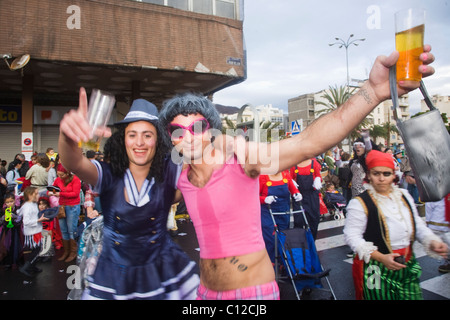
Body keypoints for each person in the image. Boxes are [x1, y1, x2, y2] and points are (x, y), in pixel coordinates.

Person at [158, 45, 435, 300]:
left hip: (252, 294)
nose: (189, 137)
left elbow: (307, 143)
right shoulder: (182, 178)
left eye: (198, 127)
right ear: (172, 138)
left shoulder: (242, 160)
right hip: (205, 295)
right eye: (178, 131)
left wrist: (372, 92)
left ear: (212, 130)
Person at [58, 94, 199, 300]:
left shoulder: (171, 171)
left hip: (163, 271)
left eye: (147, 135)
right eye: (132, 135)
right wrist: (67, 137)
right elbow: (75, 163)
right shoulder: (108, 173)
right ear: (123, 139)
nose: (139, 142)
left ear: (158, 139)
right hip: (114, 275)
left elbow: (194, 181)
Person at [344, 150, 448, 300]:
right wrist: (381, 257)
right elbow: (352, 237)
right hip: (375, 269)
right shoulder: (359, 203)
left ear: (394, 175)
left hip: (406, 264)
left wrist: (431, 241)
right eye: (376, 173)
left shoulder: (404, 195)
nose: (381, 179)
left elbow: (416, 224)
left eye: (386, 174)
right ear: (369, 176)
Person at [259, 171, 302, 263]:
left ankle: (284, 263)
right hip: (267, 212)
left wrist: (296, 193)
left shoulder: (286, 174)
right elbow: (253, 195)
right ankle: (271, 264)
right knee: (270, 239)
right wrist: (264, 199)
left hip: (283, 211)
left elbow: (293, 188)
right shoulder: (262, 176)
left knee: (284, 237)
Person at [49, 163, 81, 263]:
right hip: (61, 206)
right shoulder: (58, 180)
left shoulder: (75, 179)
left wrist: (61, 194)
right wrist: (51, 192)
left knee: (71, 230)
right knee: (63, 230)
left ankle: (73, 252)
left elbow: (75, 194)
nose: (60, 177)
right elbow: (52, 188)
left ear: (67, 173)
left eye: (62, 175)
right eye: (58, 174)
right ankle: (66, 252)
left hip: (72, 206)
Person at [18, 187, 49, 276]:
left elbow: (19, 212)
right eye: (36, 193)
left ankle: (32, 265)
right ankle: (26, 267)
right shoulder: (27, 206)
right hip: (32, 232)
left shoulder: (32, 204)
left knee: (37, 249)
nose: (38, 195)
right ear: (30, 195)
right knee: (37, 250)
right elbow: (26, 222)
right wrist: (38, 220)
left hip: (36, 230)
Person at [289, 158, 322, 239]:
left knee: (314, 220)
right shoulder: (294, 165)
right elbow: (290, 178)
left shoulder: (314, 163)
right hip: (299, 198)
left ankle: (312, 242)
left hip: (312, 196)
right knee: (298, 221)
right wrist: (292, 184)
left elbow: (318, 175)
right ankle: (300, 245)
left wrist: (318, 179)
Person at [425, 194, 450, 273]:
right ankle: (448, 261)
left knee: (444, 244)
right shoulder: (434, 195)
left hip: (437, 225)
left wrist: (428, 222)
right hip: (438, 225)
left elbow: (428, 208)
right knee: (443, 244)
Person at [0, 192, 23, 269]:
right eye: (7, 202)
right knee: (6, 246)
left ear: (14, 201)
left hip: (15, 231)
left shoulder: (17, 209)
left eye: (11, 201)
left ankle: (17, 261)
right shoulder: (3, 210)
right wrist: (4, 218)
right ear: (5, 203)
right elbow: (1, 222)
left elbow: (20, 220)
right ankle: (8, 263)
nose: (9, 204)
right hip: (6, 231)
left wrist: (14, 217)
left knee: (16, 246)